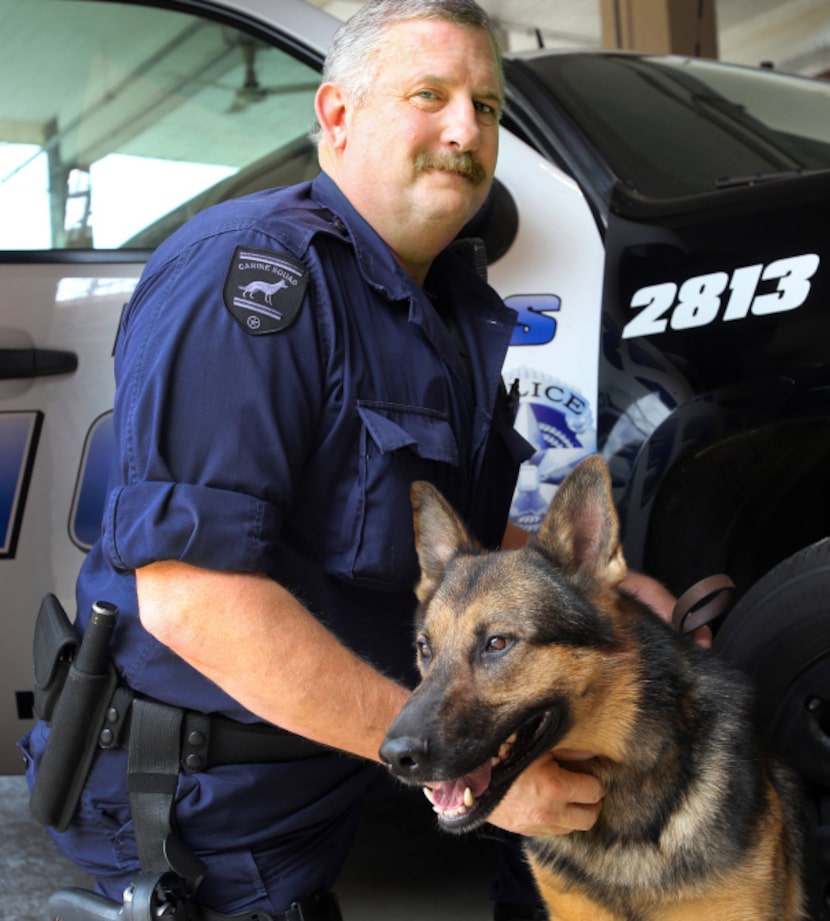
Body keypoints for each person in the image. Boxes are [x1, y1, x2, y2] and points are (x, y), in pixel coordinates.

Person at [20, 1, 664, 918]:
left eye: (486, 106)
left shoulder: (439, 299)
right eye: (429, 94)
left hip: (356, 748)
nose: (465, 128)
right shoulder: (252, 278)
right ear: (336, 116)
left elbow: (465, 554)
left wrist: (612, 595)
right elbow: (194, 601)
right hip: (214, 796)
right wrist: (475, 771)